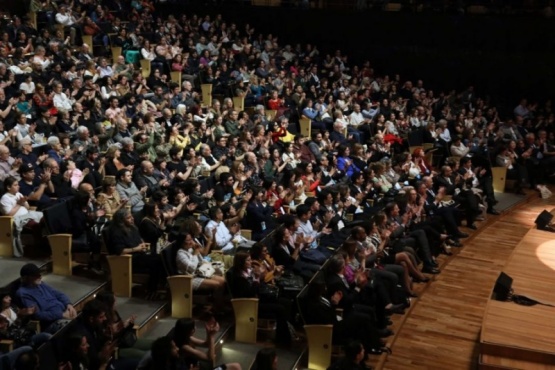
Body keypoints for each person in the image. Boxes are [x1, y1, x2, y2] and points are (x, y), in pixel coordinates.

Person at [227, 252, 292, 345]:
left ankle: (287, 330)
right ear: (241, 262)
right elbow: (250, 293)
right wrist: (257, 278)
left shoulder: (248, 271)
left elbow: (257, 286)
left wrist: (259, 277)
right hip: (251, 304)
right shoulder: (239, 278)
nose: (251, 262)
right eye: (248, 260)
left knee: (286, 302)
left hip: (258, 297)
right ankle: (283, 340)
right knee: (280, 309)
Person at [108, 208, 164, 296]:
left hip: (139, 255)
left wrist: (142, 245)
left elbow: (139, 241)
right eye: (128, 218)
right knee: (156, 261)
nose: (132, 219)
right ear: (121, 221)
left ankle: (158, 285)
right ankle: (152, 289)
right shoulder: (116, 232)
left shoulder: (132, 227)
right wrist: (137, 248)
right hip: (129, 260)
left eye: (131, 216)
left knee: (161, 257)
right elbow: (120, 251)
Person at [15, 263, 77, 333]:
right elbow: (38, 315)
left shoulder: (41, 284)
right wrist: (61, 315)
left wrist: (69, 305)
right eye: (36, 276)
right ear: (26, 278)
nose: (40, 277)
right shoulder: (23, 293)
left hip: (64, 313)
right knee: (74, 328)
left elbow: (59, 294)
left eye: (39, 275)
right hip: (52, 323)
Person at [172, 318, 241, 370]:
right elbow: (209, 358)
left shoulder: (188, 338)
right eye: (193, 327)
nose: (195, 328)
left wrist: (208, 333)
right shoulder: (184, 347)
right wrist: (212, 336)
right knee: (235, 367)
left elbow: (206, 344)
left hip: (200, 367)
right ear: (187, 330)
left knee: (236, 366)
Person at [0, 176, 45, 256]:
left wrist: (24, 202)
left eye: (18, 184)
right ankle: (40, 249)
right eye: (15, 185)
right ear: (8, 187)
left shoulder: (18, 194)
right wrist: (19, 204)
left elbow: (27, 207)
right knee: (36, 225)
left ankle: (47, 245)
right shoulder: (5, 198)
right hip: (18, 220)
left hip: (28, 214)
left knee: (44, 218)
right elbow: (8, 214)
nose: (18, 186)